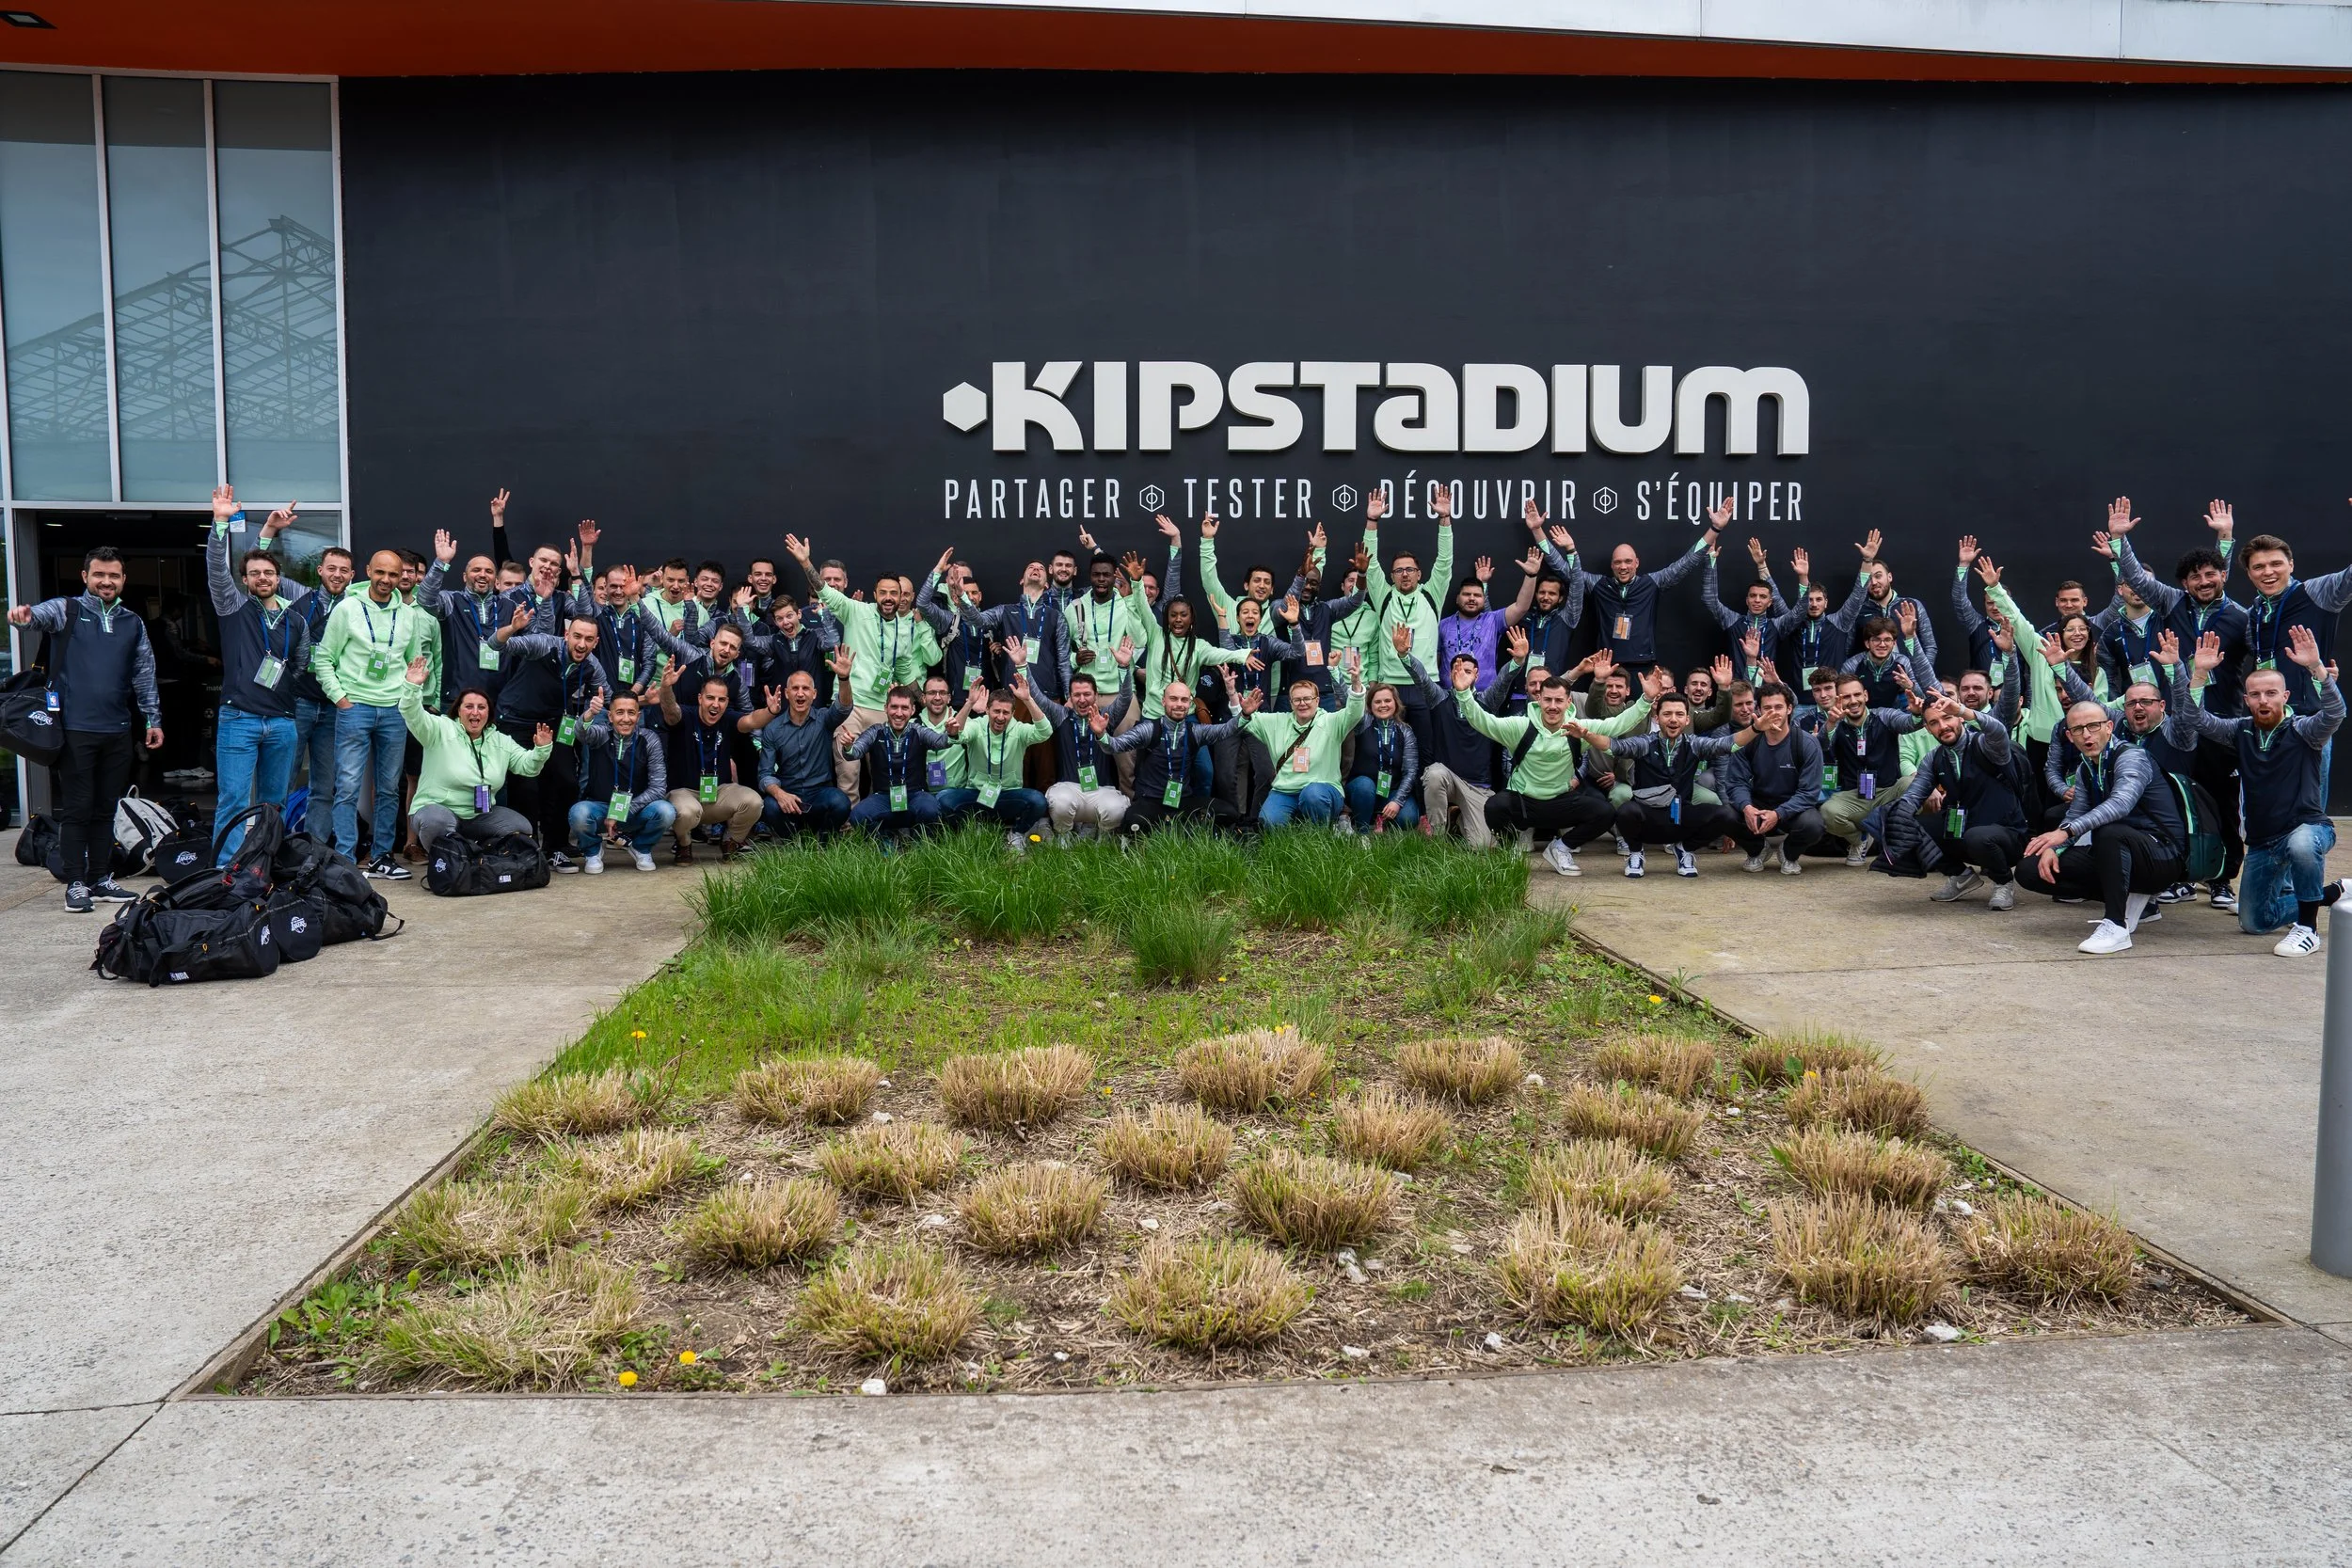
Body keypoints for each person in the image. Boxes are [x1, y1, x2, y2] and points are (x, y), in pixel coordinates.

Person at [2169, 626, 2348, 956]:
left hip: (2308, 829)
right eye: (2256, 695)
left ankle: (2308, 929)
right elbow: (2195, 720)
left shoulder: (2304, 730)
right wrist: (2198, 675)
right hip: (2264, 841)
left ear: (2285, 696)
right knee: (2255, 922)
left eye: (2270, 693)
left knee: (2304, 844)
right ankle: (2334, 893)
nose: (2263, 700)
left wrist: (2316, 669)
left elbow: (2336, 712)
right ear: (2246, 699)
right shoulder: (2241, 731)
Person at [2108, 499, 2248, 909]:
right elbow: (2134, 575)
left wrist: (2226, 537)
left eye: (2210, 574)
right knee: (2174, 801)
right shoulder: (2170, 603)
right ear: (2184, 582)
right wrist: (2120, 539)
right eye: (2194, 577)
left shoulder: (2241, 616)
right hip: (2177, 727)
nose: (2203, 581)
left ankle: (2222, 879)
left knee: (2222, 804)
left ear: (2223, 575)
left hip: (2221, 725)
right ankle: (2180, 875)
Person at [8, 546, 163, 911]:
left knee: (108, 808)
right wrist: (22, 618)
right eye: (99, 575)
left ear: (123, 579)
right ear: (85, 577)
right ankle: (75, 882)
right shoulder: (66, 610)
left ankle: (100, 878)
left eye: (113, 576)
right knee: (78, 808)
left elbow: (145, 676)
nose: (106, 581)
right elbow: (35, 618)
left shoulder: (132, 622)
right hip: (75, 729)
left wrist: (153, 720)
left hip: (118, 729)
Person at [2016, 698, 2190, 955]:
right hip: (2119, 852)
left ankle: (2116, 925)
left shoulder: (2132, 757)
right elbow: (2075, 813)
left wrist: (2064, 832)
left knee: (2109, 832)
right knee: (2030, 868)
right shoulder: (2087, 767)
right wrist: (2058, 847)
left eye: (2094, 726)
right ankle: (2135, 897)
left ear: (2109, 727)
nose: (2086, 734)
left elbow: (2121, 804)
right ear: (2069, 735)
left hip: (2162, 855)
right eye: (2077, 729)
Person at [1454, 664, 1661, 875]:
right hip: (1524, 803)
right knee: (1494, 806)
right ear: (1539, 700)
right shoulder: (1519, 726)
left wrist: (1646, 700)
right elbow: (1482, 721)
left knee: (1605, 813)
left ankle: (1561, 848)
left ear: (1568, 702)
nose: (1553, 706)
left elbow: (1617, 724)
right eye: (1548, 700)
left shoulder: (1578, 729)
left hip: (1560, 802)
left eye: (1559, 700)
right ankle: (1510, 849)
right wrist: (1463, 693)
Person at [311, 547, 437, 878]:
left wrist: (411, 693)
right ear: (367, 571)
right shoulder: (348, 609)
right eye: (380, 573)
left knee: (388, 787)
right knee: (348, 785)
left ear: (402, 577)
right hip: (355, 708)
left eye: (393, 575)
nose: (386, 580)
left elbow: (414, 664)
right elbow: (324, 658)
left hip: (394, 711)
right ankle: (345, 860)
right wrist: (340, 698)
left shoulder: (408, 614)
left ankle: (383, 856)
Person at [784, 533, 940, 795]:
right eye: (883, 592)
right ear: (875, 594)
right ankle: (847, 830)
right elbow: (824, 590)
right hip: (850, 707)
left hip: (882, 709)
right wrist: (805, 563)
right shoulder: (855, 610)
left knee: (881, 774)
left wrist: (922, 699)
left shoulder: (905, 628)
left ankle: (873, 827)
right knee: (848, 774)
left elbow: (904, 670)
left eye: (894, 593)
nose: (889, 598)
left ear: (902, 596)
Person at [204, 489, 312, 863]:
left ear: (279, 578)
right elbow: (218, 569)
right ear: (245, 580)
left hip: (282, 722)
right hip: (240, 718)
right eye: (254, 574)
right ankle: (225, 872)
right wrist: (221, 522)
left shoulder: (295, 619)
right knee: (234, 799)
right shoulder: (234, 608)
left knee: (274, 802)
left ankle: (265, 864)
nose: (262, 577)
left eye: (269, 573)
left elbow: (299, 664)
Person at [1549, 493, 1731, 671]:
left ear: (1637, 563)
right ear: (1612, 565)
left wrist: (1715, 530)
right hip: (1606, 664)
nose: (1623, 567)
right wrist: (1537, 531)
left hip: (1642, 664)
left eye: (1628, 561)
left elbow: (1687, 562)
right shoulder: (1598, 584)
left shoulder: (1652, 583)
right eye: (1618, 562)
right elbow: (1564, 570)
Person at [489, 608, 612, 867]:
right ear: (566, 634)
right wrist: (512, 627)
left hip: (555, 724)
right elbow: (495, 644)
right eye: (577, 636)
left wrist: (604, 705)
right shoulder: (544, 644)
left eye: (589, 640)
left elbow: (608, 697)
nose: (582, 644)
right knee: (527, 787)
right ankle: (527, 849)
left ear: (596, 642)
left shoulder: (591, 665)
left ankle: (555, 846)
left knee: (566, 780)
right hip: (517, 720)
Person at [396, 654, 549, 851]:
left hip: (479, 816)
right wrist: (412, 687)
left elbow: (528, 767)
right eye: (468, 707)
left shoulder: (500, 741)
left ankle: (474, 855)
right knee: (435, 822)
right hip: (438, 810)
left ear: (488, 713)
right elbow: (411, 714)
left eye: (481, 707)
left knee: (520, 827)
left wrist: (541, 750)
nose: (475, 712)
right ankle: (450, 858)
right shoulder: (439, 729)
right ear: (458, 711)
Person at [1584, 691, 1743, 878]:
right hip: (1648, 819)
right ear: (1657, 717)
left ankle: (1685, 850)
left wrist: (1756, 728)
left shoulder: (1694, 744)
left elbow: (1727, 744)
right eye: (1667, 714)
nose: (1673, 719)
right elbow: (1614, 746)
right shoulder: (1645, 743)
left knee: (1727, 814)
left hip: (1681, 816)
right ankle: (1635, 853)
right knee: (1626, 810)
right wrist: (1586, 734)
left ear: (1687, 719)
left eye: (1679, 714)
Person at [1893, 692, 2028, 910]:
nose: (1943, 726)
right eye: (1934, 722)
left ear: (1960, 718)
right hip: (1963, 831)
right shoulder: (1935, 757)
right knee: (1899, 823)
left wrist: (1963, 709)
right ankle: (1960, 876)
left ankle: (2003, 881)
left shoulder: (1985, 745)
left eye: (1948, 718)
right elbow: (1913, 795)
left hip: (2006, 837)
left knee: (1977, 836)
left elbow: (1998, 730)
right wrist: (1890, 820)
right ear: (1927, 728)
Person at [1358, 484, 1455, 760]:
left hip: (1427, 684)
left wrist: (1444, 520)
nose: (1404, 575)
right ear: (1392, 576)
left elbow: (1445, 562)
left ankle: (1424, 802)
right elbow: (1371, 563)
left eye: (1410, 570)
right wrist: (1372, 522)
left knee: (1426, 750)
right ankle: (1392, 802)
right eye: (1398, 571)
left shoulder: (1431, 594)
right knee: (1389, 750)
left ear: (1419, 573)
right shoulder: (1383, 596)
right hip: (1390, 686)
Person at [267, 529, 354, 841]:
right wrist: (269, 532)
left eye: (344, 570)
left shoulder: (356, 607)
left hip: (334, 708)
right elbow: (263, 567)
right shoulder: (297, 596)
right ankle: (270, 845)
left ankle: (317, 852)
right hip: (298, 703)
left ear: (352, 575)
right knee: (283, 780)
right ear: (320, 570)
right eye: (332, 568)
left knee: (324, 785)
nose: (337, 574)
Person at [1233, 655, 1368, 830]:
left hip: (1323, 790)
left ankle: (1321, 835)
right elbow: (1244, 723)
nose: (1302, 703)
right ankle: (1296, 833)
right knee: (1269, 823)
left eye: (1307, 699)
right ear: (1290, 703)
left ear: (1317, 701)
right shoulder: (1277, 722)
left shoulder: (1331, 721)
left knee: (1313, 795)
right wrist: (1241, 706)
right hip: (1285, 791)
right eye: (1297, 700)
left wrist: (1356, 683)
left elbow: (1355, 713)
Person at [1102, 676, 1248, 836]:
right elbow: (1113, 746)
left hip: (1182, 801)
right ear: (1163, 702)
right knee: (1134, 821)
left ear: (1190, 704)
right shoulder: (1149, 729)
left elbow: (1227, 730)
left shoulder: (1196, 731)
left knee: (1228, 812)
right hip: (1151, 801)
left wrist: (1245, 714)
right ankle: (1176, 830)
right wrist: (1100, 733)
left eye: (1184, 700)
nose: (1179, 704)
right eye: (1174, 699)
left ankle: (1180, 829)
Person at [1408, 643, 1518, 847]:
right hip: (1446, 779)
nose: (1462, 676)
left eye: (1468, 671)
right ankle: (1437, 838)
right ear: (1450, 674)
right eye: (1457, 671)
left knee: (1483, 845)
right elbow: (1421, 678)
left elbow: (1504, 680)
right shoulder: (1439, 698)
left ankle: (1457, 818)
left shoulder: (1487, 701)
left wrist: (1517, 661)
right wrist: (1404, 655)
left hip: (1478, 785)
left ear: (1476, 675)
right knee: (1434, 774)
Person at [1819, 672, 1926, 865]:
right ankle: (1860, 840)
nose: (1853, 701)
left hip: (1888, 792)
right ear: (1838, 700)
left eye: (1857, 695)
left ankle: (1895, 837)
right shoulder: (1835, 723)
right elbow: (1823, 745)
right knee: (1827, 813)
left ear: (1865, 696)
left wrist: (1917, 714)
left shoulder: (1884, 715)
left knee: (1912, 783)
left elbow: (1910, 724)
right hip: (1854, 796)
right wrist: (1831, 723)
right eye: (1846, 697)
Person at [1030, 644, 1135, 841]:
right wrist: (1021, 666)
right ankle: (1064, 835)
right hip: (1069, 788)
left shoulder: (1106, 716)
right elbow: (1037, 697)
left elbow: (1126, 698)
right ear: (1070, 697)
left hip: (1102, 790)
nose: (1082, 699)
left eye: (1087, 694)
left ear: (1096, 695)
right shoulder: (1061, 715)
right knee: (1059, 802)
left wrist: (1123, 667)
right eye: (1077, 695)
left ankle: (1103, 837)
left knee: (1117, 808)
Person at [936, 676, 1054, 847]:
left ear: (1012, 714)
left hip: (1009, 795)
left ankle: (1017, 834)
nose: (1000, 717)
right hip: (977, 794)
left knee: (1038, 801)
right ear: (987, 710)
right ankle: (972, 828)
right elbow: (958, 734)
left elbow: (1045, 732)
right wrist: (969, 703)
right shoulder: (977, 725)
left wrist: (1028, 700)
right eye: (996, 711)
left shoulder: (1019, 729)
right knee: (943, 799)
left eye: (1006, 712)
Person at [1723, 682, 1827, 873]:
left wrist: (1779, 813)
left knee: (1814, 825)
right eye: (1767, 708)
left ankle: (1789, 853)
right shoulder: (1748, 740)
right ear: (1759, 710)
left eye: (1778, 707)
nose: (1773, 713)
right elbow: (1735, 782)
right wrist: (1747, 807)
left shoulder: (1807, 744)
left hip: (1793, 809)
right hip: (1758, 806)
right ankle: (1757, 850)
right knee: (1725, 814)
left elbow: (1809, 793)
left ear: (1789, 709)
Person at [660, 670, 763, 863]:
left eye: (721, 699)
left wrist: (771, 711)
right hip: (685, 794)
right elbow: (670, 710)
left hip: (718, 794)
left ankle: (731, 841)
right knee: (687, 811)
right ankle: (684, 844)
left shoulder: (728, 718)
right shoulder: (686, 716)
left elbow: (751, 721)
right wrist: (666, 687)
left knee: (754, 802)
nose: (716, 704)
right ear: (700, 698)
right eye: (710, 698)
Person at [751, 657, 856, 841]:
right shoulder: (773, 729)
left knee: (841, 802)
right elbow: (765, 774)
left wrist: (844, 679)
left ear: (814, 694)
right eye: (795, 688)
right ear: (786, 693)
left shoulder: (824, 719)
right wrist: (780, 794)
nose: (800, 693)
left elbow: (844, 708)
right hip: (790, 795)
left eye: (806, 688)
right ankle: (795, 843)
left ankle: (824, 841)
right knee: (769, 806)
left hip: (820, 795)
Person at [568, 691, 672, 873]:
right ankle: (592, 851)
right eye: (620, 712)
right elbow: (582, 734)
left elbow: (658, 788)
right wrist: (590, 714)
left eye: (631, 713)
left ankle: (641, 847)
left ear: (638, 716)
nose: (625, 719)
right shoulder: (601, 733)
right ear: (610, 716)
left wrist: (621, 812)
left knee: (665, 811)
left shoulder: (650, 739)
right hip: (600, 808)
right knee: (578, 813)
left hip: (636, 810)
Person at [843, 684, 954, 839]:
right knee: (858, 816)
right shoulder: (876, 731)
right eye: (894, 707)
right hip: (883, 796)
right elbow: (853, 753)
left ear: (912, 710)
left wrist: (952, 732)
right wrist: (848, 747)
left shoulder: (918, 731)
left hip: (915, 795)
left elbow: (942, 742)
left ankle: (920, 845)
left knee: (931, 809)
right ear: (886, 708)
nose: (899, 713)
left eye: (904, 708)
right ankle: (883, 844)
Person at [1435, 544, 1543, 693]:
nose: (1472, 599)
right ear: (1457, 599)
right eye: (1466, 595)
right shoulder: (1443, 625)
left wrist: (1531, 576)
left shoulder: (1493, 620)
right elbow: (1435, 662)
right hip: (1448, 694)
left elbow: (1521, 607)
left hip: (1484, 695)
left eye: (1477, 595)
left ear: (1483, 598)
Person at [1830, 528, 1939, 674]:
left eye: (1878, 576)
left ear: (1890, 577)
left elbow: (1930, 646)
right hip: (1872, 682)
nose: (1874, 582)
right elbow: (1848, 650)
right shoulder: (1859, 611)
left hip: (1909, 681)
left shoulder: (1912, 605)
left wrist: (1920, 676)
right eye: (1869, 578)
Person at [1344, 675, 1422, 835]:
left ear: (1396, 703)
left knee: (1408, 819)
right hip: (1362, 788)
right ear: (1370, 706)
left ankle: (1382, 819)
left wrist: (1397, 801)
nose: (1383, 705)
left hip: (1392, 790)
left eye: (1387, 701)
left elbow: (1410, 772)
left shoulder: (1406, 731)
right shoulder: (1363, 723)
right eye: (1377, 702)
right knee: (1365, 787)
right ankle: (1363, 832)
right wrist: (1334, 670)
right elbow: (1346, 699)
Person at [1701, 535, 1790, 668]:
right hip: (1738, 686)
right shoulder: (1732, 620)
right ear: (1747, 600)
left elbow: (1797, 611)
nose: (1757, 600)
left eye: (1763, 597)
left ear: (1770, 602)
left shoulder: (1777, 624)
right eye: (1753, 596)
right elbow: (1710, 599)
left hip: (1768, 686)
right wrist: (1710, 562)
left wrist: (1762, 566)